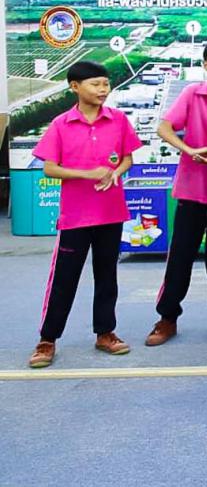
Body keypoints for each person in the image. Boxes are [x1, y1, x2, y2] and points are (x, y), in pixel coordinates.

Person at [28, 61, 143, 368]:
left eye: (105, 84)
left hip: (111, 213)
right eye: (95, 84)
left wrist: (115, 172)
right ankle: (47, 339)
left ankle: (105, 333)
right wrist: (87, 173)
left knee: (107, 277)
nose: (103, 90)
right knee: (64, 279)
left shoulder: (118, 120)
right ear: (75, 87)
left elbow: (128, 159)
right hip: (76, 217)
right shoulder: (61, 124)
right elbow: (50, 168)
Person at [145, 41, 207, 347]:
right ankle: (167, 317)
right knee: (181, 255)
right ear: (206, 65)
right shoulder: (191, 94)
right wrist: (189, 150)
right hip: (192, 189)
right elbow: (164, 129)